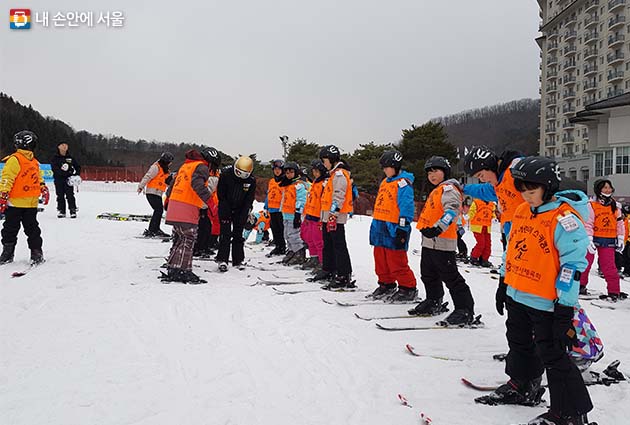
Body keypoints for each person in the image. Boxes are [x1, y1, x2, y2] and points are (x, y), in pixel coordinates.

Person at [477, 156, 593, 425]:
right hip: (518, 293)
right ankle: (523, 385)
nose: (526, 197)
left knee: (552, 353)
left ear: (549, 186)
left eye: (532, 191)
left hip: (546, 302)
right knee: (518, 343)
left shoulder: (564, 219)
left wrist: (565, 307)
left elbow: (572, 266)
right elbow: (511, 249)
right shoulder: (520, 211)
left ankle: (570, 413)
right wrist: (503, 282)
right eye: (522, 191)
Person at [408, 156, 476, 325]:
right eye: (429, 172)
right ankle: (433, 300)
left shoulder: (448, 188)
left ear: (444, 172)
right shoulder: (437, 189)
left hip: (443, 241)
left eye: (436, 171)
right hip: (429, 241)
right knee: (428, 274)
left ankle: (465, 309)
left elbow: (452, 210)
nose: (432, 175)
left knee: (451, 276)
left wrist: (438, 228)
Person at [161, 148, 218, 283]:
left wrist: (168, 201)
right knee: (188, 238)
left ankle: (173, 266)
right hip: (187, 206)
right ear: (210, 162)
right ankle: (183, 270)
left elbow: (172, 185)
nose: (211, 171)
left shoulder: (186, 165)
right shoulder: (201, 167)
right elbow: (197, 185)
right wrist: (211, 203)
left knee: (179, 238)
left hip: (175, 205)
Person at [368, 150, 417, 302]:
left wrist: (402, 228)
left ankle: (408, 287)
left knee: (396, 260)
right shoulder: (385, 181)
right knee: (380, 258)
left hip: (394, 227)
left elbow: (407, 206)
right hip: (379, 225)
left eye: (387, 167)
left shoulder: (403, 184)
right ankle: (386, 283)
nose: (384, 170)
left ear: (395, 166)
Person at [0, 130, 49, 265]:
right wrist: (3, 195)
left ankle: (36, 252)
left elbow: (38, 178)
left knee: (33, 230)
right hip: (15, 203)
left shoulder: (34, 162)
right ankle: (8, 252)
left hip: (31, 204)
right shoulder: (14, 160)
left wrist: (43, 187)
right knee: (10, 229)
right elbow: (7, 178)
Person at [313, 145, 354, 289]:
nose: (323, 164)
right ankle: (328, 269)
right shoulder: (332, 174)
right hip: (326, 215)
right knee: (327, 244)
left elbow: (338, 196)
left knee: (338, 245)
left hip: (335, 216)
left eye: (324, 160)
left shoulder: (340, 174)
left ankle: (344, 274)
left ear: (331, 159)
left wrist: (333, 215)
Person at [579, 178, 626, 300]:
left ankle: (614, 291)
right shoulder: (591, 205)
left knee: (609, 267)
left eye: (609, 187)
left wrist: (621, 238)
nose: (608, 190)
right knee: (585, 264)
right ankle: (580, 286)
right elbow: (588, 223)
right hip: (593, 239)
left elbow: (620, 223)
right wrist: (589, 238)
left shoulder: (615, 206)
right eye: (605, 187)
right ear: (599, 189)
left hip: (609, 240)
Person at [216, 156, 256, 272]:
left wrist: (246, 211)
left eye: (245, 174)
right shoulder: (226, 175)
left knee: (238, 234)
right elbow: (221, 194)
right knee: (225, 234)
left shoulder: (251, 181)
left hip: (241, 209)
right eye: (240, 173)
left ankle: (238, 259)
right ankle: (222, 259)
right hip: (226, 206)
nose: (242, 176)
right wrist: (225, 208)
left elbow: (249, 198)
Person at [137, 152, 173, 237]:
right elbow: (147, 176)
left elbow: (165, 182)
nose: (171, 164)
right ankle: (153, 230)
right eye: (170, 162)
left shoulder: (165, 169)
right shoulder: (156, 167)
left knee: (159, 210)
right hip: (152, 192)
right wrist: (141, 186)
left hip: (158, 193)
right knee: (158, 210)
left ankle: (155, 229)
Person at [193, 152, 222, 258]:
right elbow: (206, 190)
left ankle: (203, 247)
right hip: (200, 203)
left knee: (206, 226)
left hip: (205, 204)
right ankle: (198, 248)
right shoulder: (206, 173)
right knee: (202, 227)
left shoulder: (213, 174)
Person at [279, 162, 308, 265]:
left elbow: (301, 200)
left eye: (291, 172)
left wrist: (297, 214)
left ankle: (299, 252)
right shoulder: (288, 184)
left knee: (294, 235)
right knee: (286, 234)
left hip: (294, 214)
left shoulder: (299, 185)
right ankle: (292, 250)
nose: (288, 174)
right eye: (286, 172)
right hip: (286, 213)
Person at [300, 160, 327, 271]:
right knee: (309, 238)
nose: (315, 174)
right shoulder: (314, 183)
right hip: (310, 214)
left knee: (318, 241)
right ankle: (314, 257)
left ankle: (322, 262)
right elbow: (310, 199)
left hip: (318, 216)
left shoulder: (324, 184)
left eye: (317, 171)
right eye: (314, 171)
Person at [50, 141, 81, 218]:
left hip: (68, 180)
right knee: (60, 195)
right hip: (58, 179)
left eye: (66, 145)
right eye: (62, 145)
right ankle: (61, 210)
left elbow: (77, 166)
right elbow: (54, 168)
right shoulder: (55, 158)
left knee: (70, 195)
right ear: (59, 147)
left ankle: (72, 210)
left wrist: (76, 175)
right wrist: (62, 173)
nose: (64, 146)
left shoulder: (70, 157)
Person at [265, 159, 286, 257]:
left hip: (281, 209)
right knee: (274, 228)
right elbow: (268, 194)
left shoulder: (285, 181)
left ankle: (282, 246)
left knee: (281, 229)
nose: (277, 171)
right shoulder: (271, 181)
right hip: (272, 209)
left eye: (279, 169)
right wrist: (266, 206)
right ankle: (277, 246)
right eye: (275, 169)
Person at [468, 198, 496, 267]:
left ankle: (484, 259)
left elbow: (493, 214)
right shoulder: (476, 202)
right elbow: (471, 213)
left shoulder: (492, 204)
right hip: (477, 227)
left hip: (487, 227)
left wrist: (494, 218)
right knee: (481, 243)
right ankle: (474, 257)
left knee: (488, 244)